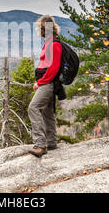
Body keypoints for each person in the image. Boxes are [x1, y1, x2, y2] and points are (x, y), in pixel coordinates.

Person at [28, 15, 62, 158]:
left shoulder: (54, 45)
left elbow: (53, 69)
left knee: (33, 108)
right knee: (47, 112)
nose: (39, 32)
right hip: (47, 82)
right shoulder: (49, 44)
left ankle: (41, 144)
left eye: (40, 29)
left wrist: (40, 83)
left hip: (47, 83)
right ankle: (51, 141)